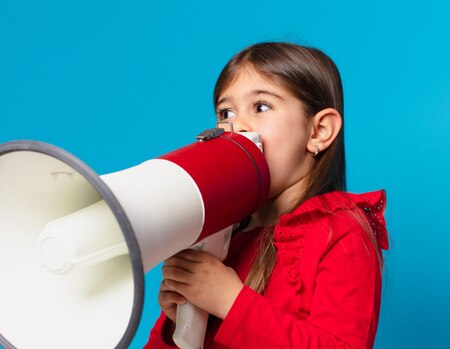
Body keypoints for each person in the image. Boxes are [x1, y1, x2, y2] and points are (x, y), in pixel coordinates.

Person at [144, 41, 389, 349]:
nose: (238, 127)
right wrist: (177, 326)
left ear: (319, 131)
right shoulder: (224, 236)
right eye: (226, 112)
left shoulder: (340, 232)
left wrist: (230, 301)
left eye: (261, 107)